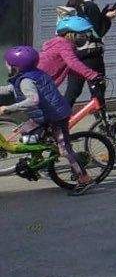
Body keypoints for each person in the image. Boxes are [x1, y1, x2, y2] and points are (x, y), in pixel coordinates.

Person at [2, 44, 93, 192]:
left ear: (16, 67)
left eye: (8, 64)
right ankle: (38, 161)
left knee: (64, 149)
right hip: (43, 115)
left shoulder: (27, 81)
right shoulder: (31, 74)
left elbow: (33, 100)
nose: (6, 66)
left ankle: (84, 178)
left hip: (56, 116)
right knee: (25, 132)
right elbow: (12, 89)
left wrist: (8, 108)